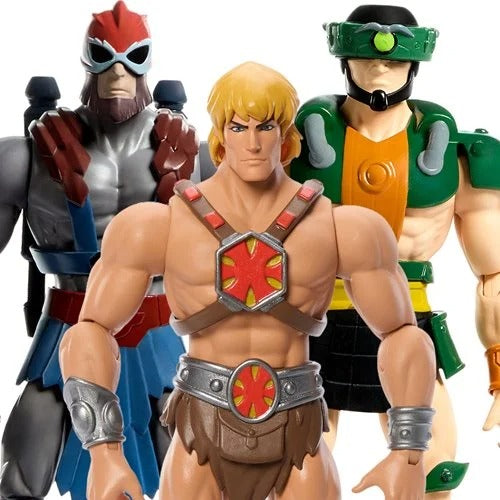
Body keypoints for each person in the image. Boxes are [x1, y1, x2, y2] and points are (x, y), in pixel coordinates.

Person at [59, 61, 436, 500]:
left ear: (287, 136)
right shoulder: (158, 226)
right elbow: (89, 332)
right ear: (220, 136)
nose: (253, 143)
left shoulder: (344, 229)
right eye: (239, 127)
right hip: (202, 425)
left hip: (297, 426)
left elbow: (403, 334)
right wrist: (104, 453)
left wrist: (408, 452)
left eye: (266, 127)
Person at [290, 4, 500, 496]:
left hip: (408, 320)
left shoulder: (456, 158)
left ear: (414, 62)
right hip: (319, 319)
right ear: (344, 58)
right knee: (295, 470)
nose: (380, 68)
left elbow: (493, 275)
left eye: (393, 59)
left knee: (433, 469)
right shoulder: (291, 148)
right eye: (368, 58)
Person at [0, 2, 197, 498]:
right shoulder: (24, 155)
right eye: (104, 57)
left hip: (157, 327)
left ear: (148, 63)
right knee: (23, 469)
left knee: (194, 470)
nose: (118, 73)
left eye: (133, 58)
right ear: (87, 60)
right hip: (68, 323)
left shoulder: (195, 156)